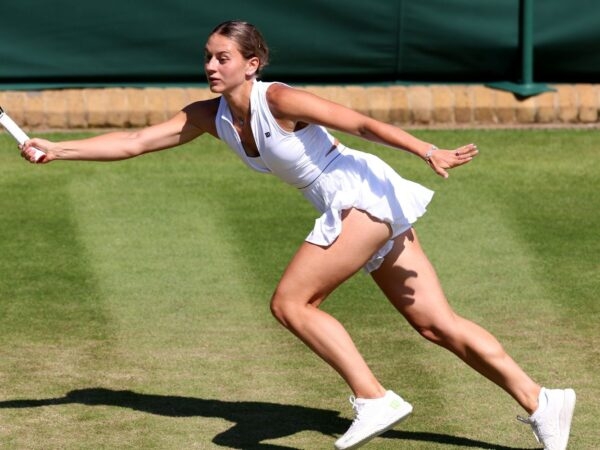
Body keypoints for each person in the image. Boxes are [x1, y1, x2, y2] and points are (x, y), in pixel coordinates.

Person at [21, 20, 575, 450]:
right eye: (208, 57)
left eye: (222, 58)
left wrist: (426, 149)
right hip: (355, 202)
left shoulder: (278, 100)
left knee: (291, 303)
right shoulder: (208, 115)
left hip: (358, 194)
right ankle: (542, 400)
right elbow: (137, 141)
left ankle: (374, 397)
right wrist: (58, 148)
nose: (210, 66)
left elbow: (358, 122)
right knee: (437, 324)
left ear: (251, 64)